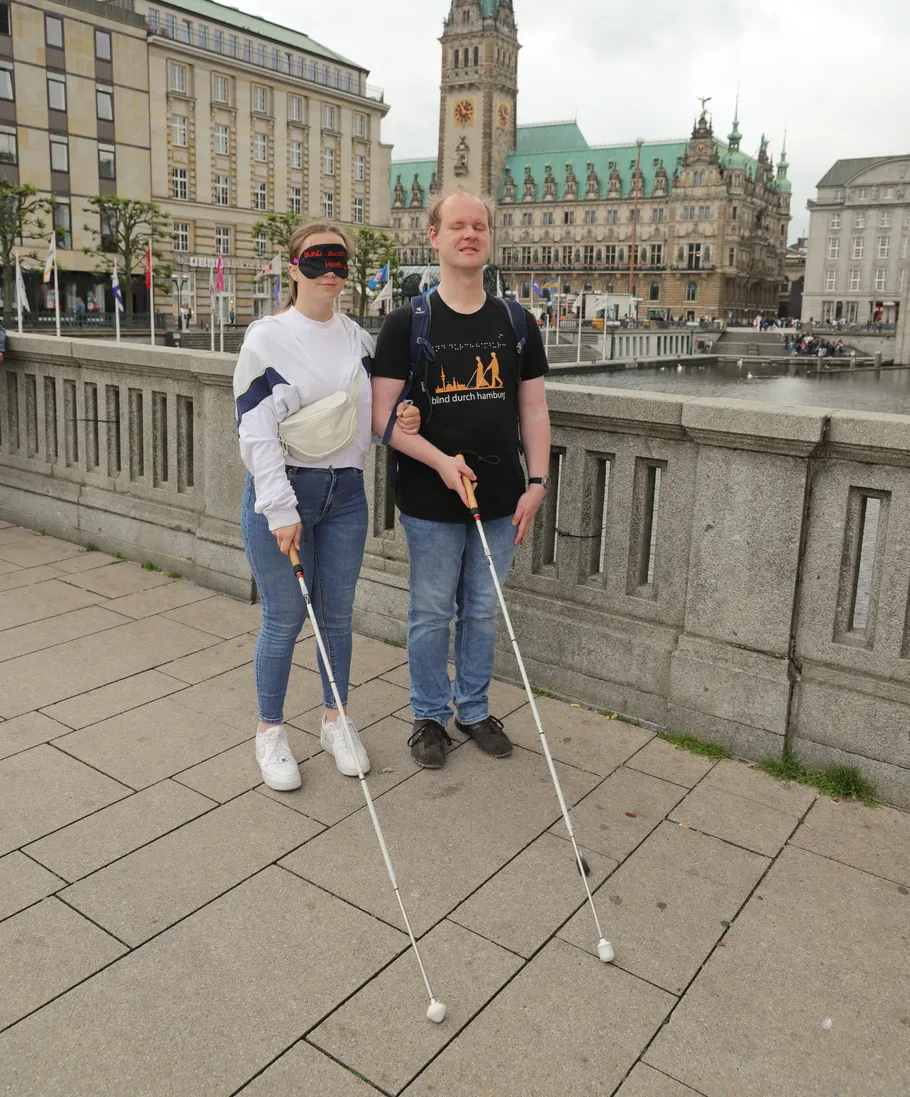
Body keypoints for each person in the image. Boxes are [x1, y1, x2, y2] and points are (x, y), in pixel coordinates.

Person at [233, 220, 421, 791]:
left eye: (340, 262)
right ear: (294, 268)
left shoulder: (358, 339)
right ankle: (270, 731)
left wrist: (401, 417)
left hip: (345, 494)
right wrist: (279, 508)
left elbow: (371, 415)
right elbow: (254, 430)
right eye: (318, 260)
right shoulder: (266, 338)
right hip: (284, 492)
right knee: (286, 617)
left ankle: (336, 719)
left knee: (337, 616)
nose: (330, 272)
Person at [372, 190, 551, 770]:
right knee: (429, 611)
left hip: (501, 497)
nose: (469, 234)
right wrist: (440, 461)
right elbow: (383, 423)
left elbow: (534, 412)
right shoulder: (405, 323)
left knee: (480, 609)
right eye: (458, 226)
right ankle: (427, 715)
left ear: (489, 239)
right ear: (435, 237)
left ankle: (472, 710)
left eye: (479, 226)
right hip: (430, 496)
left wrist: (539, 482)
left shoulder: (516, 321)